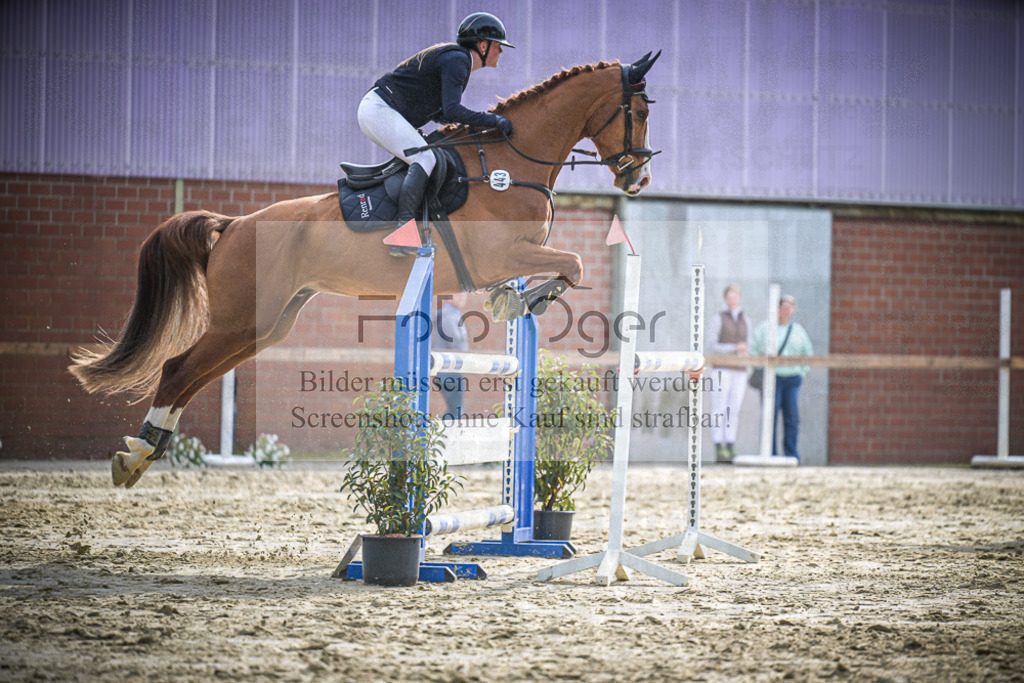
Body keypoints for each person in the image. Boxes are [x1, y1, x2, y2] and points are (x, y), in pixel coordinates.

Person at [357, 12, 515, 256]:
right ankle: (402, 235)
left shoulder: (458, 60)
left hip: (382, 109)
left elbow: (442, 113)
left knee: (429, 156)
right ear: (483, 45)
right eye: (498, 46)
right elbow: (452, 109)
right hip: (379, 110)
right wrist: (492, 120)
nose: (501, 52)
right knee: (424, 158)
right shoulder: (458, 61)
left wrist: (475, 125)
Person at [750, 294, 813, 461]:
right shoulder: (765, 328)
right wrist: (761, 367)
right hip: (772, 379)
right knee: (770, 416)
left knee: (792, 417)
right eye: (783, 307)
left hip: (791, 379)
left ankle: (791, 454)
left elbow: (808, 354)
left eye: (789, 307)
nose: (786, 311)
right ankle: (771, 453)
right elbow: (753, 349)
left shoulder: (798, 331)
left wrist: (800, 371)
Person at [707, 284, 750, 463]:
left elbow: (749, 343)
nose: (732, 300)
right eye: (729, 297)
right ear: (725, 299)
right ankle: (718, 446)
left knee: (734, 409)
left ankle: (730, 444)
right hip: (721, 369)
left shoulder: (745, 319)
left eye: (735, 296)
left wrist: (745, 351)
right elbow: (711, 345)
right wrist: (733, 348)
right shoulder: (718, 318)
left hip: (739, 369)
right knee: (719, 407)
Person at [433, 293, 470, 420]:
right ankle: (439, 436)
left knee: (455, 410)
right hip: (449, 371)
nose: (463, 297)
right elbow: (457, 344)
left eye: (464, 294)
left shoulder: (450, 314)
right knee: (456, 412)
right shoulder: (448, 316)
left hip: (448, 370)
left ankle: (439, 436)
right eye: (458, 293)